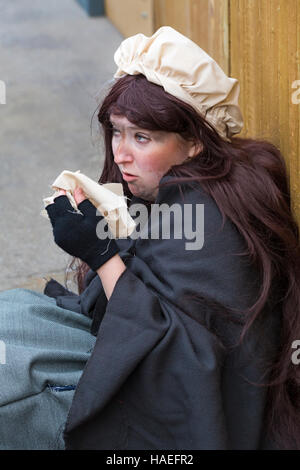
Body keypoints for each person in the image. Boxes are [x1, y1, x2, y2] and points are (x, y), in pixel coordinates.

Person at [1, 26, 300, 450]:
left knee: (8, 381)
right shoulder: (185, 184)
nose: (121, 152)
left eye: (142, 137)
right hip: (129, 348)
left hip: (166, 409)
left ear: (195, 141)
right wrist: (105, 221)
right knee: (10, 310)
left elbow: (182, 366)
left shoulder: (214, 224)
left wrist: (101, 255)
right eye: (117, 131)